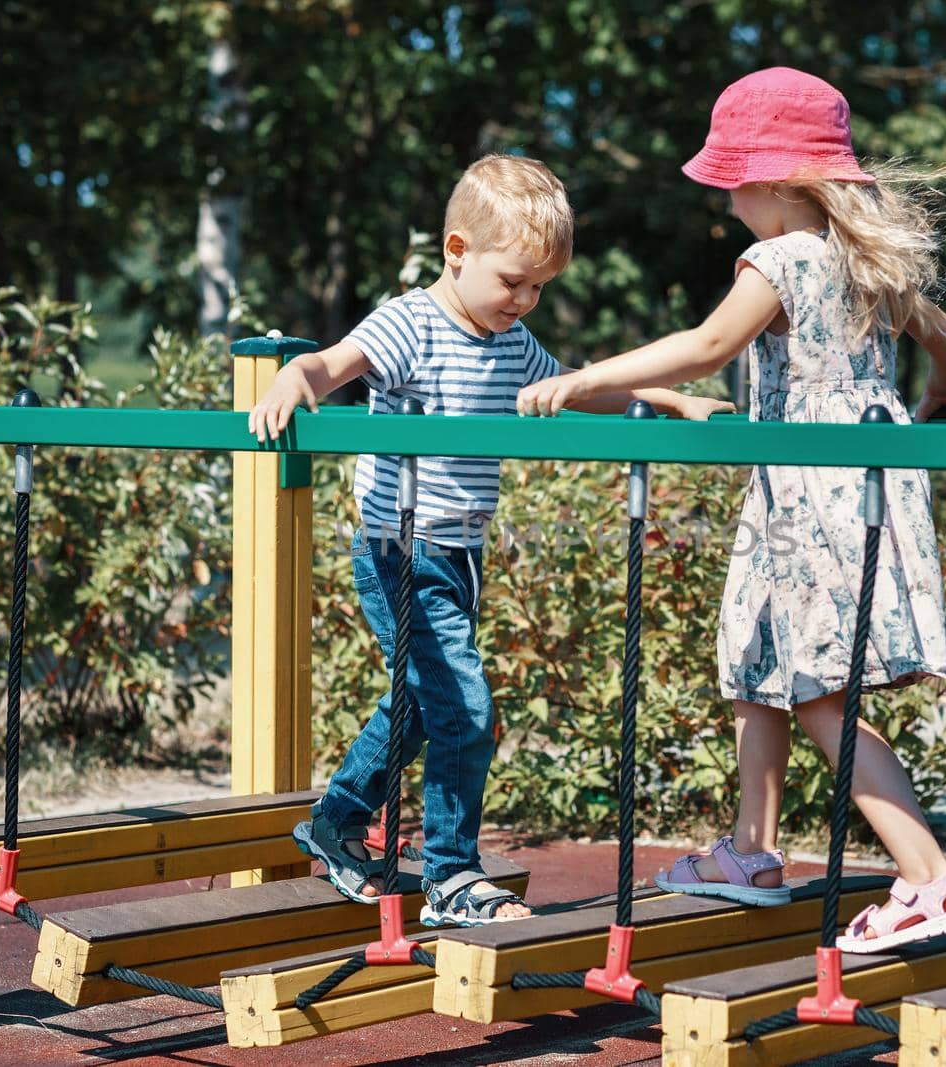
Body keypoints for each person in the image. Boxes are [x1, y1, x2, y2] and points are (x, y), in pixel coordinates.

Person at [516, 68, 946, 952]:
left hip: (809, 493)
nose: (726, 198)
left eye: (733, 180)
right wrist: (939, 405)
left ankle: (928, 877)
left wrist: (585, 376)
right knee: (761, 657)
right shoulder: (868, 260)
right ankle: (752, 850)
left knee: (819, 692)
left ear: (774, 181)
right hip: (853, 486)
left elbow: (708, 346)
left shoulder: (784, 257)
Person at [248, 154, 731, 927]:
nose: (526, 299)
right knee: (465, 710)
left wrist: (671, 399)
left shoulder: (512, 344)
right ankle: (452, 875)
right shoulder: (410, 324)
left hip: (459, 552)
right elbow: (330, 364)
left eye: (540, 285)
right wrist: (290, 381)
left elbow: (579, 388)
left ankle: (336, 820)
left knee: (424, 698)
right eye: (514, 280)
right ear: (457, 250)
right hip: (398, 549)